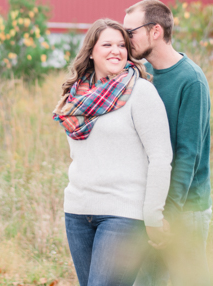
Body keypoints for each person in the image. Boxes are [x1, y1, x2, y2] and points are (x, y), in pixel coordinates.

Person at [53, 18, 173, 286]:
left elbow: (161, 157)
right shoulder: (76, 97)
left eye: (121, 45)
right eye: (107, 44)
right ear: (92, 51)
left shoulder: (141, 92)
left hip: (123, 214)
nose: (116, 50)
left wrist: (153, 216)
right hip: (78, 211)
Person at [123, 0, 212, 286]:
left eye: (130, 32)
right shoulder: (143, 77)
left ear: (156, 31)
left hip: (184, 210)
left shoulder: (191, 80)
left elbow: (189, 154)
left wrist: (168, 214)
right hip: (152, 209)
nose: (125, 41)